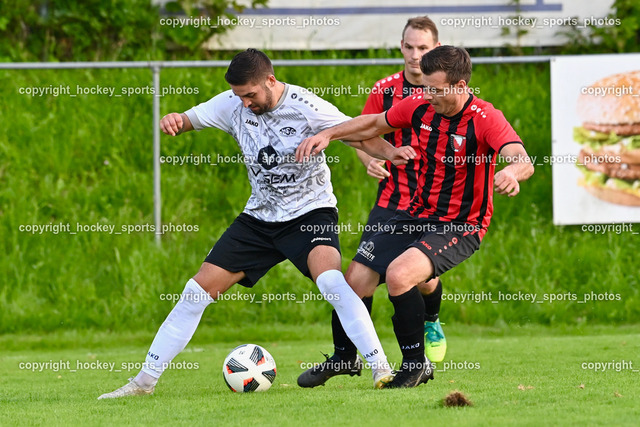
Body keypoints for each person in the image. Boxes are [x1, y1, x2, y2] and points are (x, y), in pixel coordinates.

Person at [98, 48, 415, 399]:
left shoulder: (306, 106)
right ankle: (143, 383)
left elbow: (357, 132)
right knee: (195, 293)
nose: (245, 103)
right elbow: (189, 119)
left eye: (250, 95)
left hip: (310, 214)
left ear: (270, 81)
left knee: (332, 282)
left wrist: (390, 153)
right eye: (239, 96)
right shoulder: (232, 103)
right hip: (259, 219)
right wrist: (175, 120)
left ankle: (380, 369)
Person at [296, 45, 534, 388]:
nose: (428, 95)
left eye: (436, 89)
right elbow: (373, 123)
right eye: (425, 87)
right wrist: (328, 134)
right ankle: (345, 356)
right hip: (414, 214)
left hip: (460, 225)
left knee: (400, 275)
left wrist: (511, 172)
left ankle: (415, 364)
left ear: (461, 86)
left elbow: (521, 158)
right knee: (354, 281)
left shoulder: (484, 118)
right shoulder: (421, 104)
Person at [297, 16, 447, 389]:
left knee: (424, 281)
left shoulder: (446, 95)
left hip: (433, 207)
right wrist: (369, 160)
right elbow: (364, 131)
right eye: (409, 47)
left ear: (436, 49)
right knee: (354, 281)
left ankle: (430, 324)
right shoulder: (385, 90)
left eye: (423, 48)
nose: (415, 55)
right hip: (393, 202)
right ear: (401, 47)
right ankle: (344, 356)